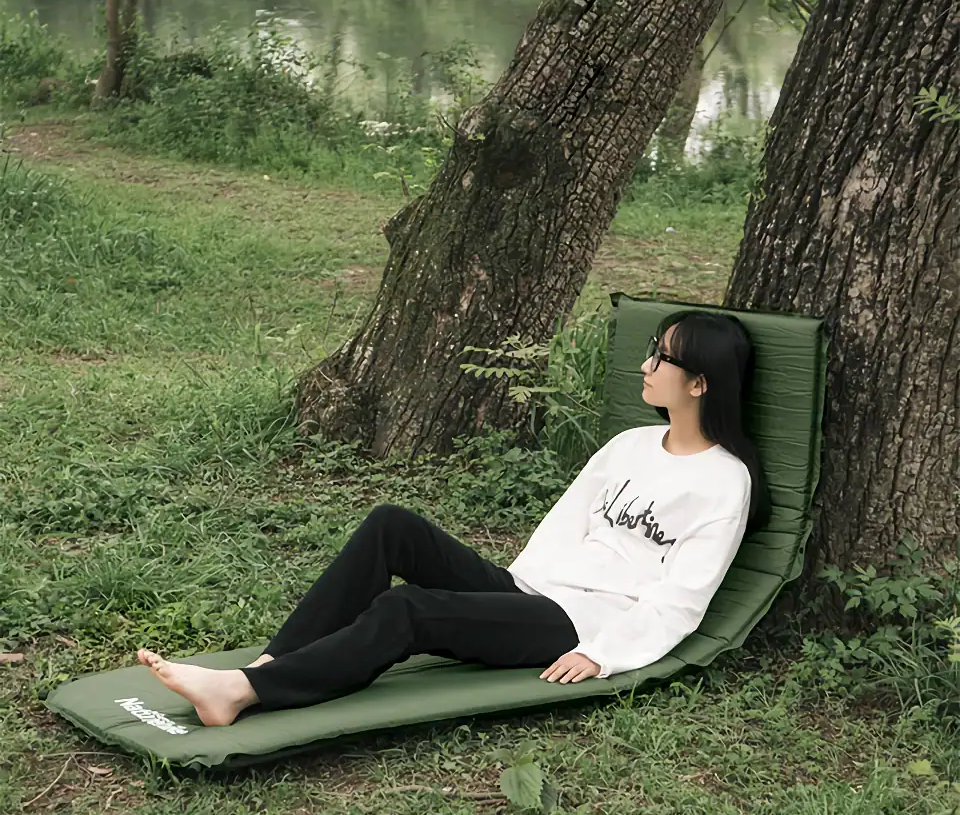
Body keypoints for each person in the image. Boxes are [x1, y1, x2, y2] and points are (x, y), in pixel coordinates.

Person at [138, 310, 766, 727]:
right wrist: (506, 593)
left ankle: (240, 694)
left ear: (701, 384)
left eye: (663, 359)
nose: (646, 366)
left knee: (408, 610)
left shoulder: (723, 481)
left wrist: (604, 653)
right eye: (652, 351)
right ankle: (275, 666)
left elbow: (683, 601)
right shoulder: (629, 444)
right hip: (535, 595)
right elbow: (563, 526)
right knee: (391, 525)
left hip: (584, 621)